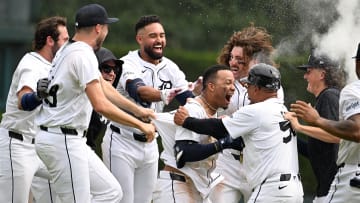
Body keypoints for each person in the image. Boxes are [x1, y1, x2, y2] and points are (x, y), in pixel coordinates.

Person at [34, 4, 156, 203]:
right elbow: (100, 104)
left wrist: (139, 110)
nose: (106, 32)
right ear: (99, 28)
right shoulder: (83, 54)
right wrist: (140, 125)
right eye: (107, 27)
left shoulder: (69, 49)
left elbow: (103, 86)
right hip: (62, 139)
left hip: (66, 138)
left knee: (111, 192)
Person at [101, 15, 200, 203]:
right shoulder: (128, 62)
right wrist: (166, 94)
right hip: (122, 140)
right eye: (153, 36)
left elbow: (188, 100)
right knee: (122, 200)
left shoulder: (171, 67)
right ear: (140, 39)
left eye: (162, 35)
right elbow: (139, 91)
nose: (159, 40)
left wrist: (203, 98)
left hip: (150, 142)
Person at [174, 63, 304, 203]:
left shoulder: (257, 110)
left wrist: (187, 121)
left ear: (257, 88)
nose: (247, 92)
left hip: (271, 191)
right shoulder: (283, 110)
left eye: (248, 86)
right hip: (294, 190)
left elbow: (218, 128)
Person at [152, 64, 245, 202]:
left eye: (233, 83)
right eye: (228, 82)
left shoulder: (212, 113)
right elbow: (184, 152)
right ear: (211, 86)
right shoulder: (193, 109)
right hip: (177, 185)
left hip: (194, 187)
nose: (233, 87)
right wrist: (222, 144)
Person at [0, 16, 68, 203]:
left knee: (80, 181)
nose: (68, 44)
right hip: (18, 145)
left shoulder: (55, 66)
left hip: (41, 147)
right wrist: (38, 96)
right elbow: (23, 101)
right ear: (49, 40)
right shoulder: (31, 63)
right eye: (65, 39)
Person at [213, 25, 277, 203]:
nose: (232, 62)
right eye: (231, 57)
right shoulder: (220, 81)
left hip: (257, 163)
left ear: (253, 60)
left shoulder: (270, 86)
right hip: (226, 163)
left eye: (239, 59)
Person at [289, 43, 360, 203]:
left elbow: (338, 137)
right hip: (329, 185)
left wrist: (300, 127)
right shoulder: (325, 97)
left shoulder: (329, 96)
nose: (305, 76)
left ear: (322, 74)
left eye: (308, 71)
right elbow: (317, 150)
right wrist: (291, 135)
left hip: (337, 184)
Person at [86, 47, 123, 152]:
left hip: (87, 149)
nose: (112, 73)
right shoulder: (82, 93)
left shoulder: (109, 98)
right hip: (69, 146)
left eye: (115, 69)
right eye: (106, 68)